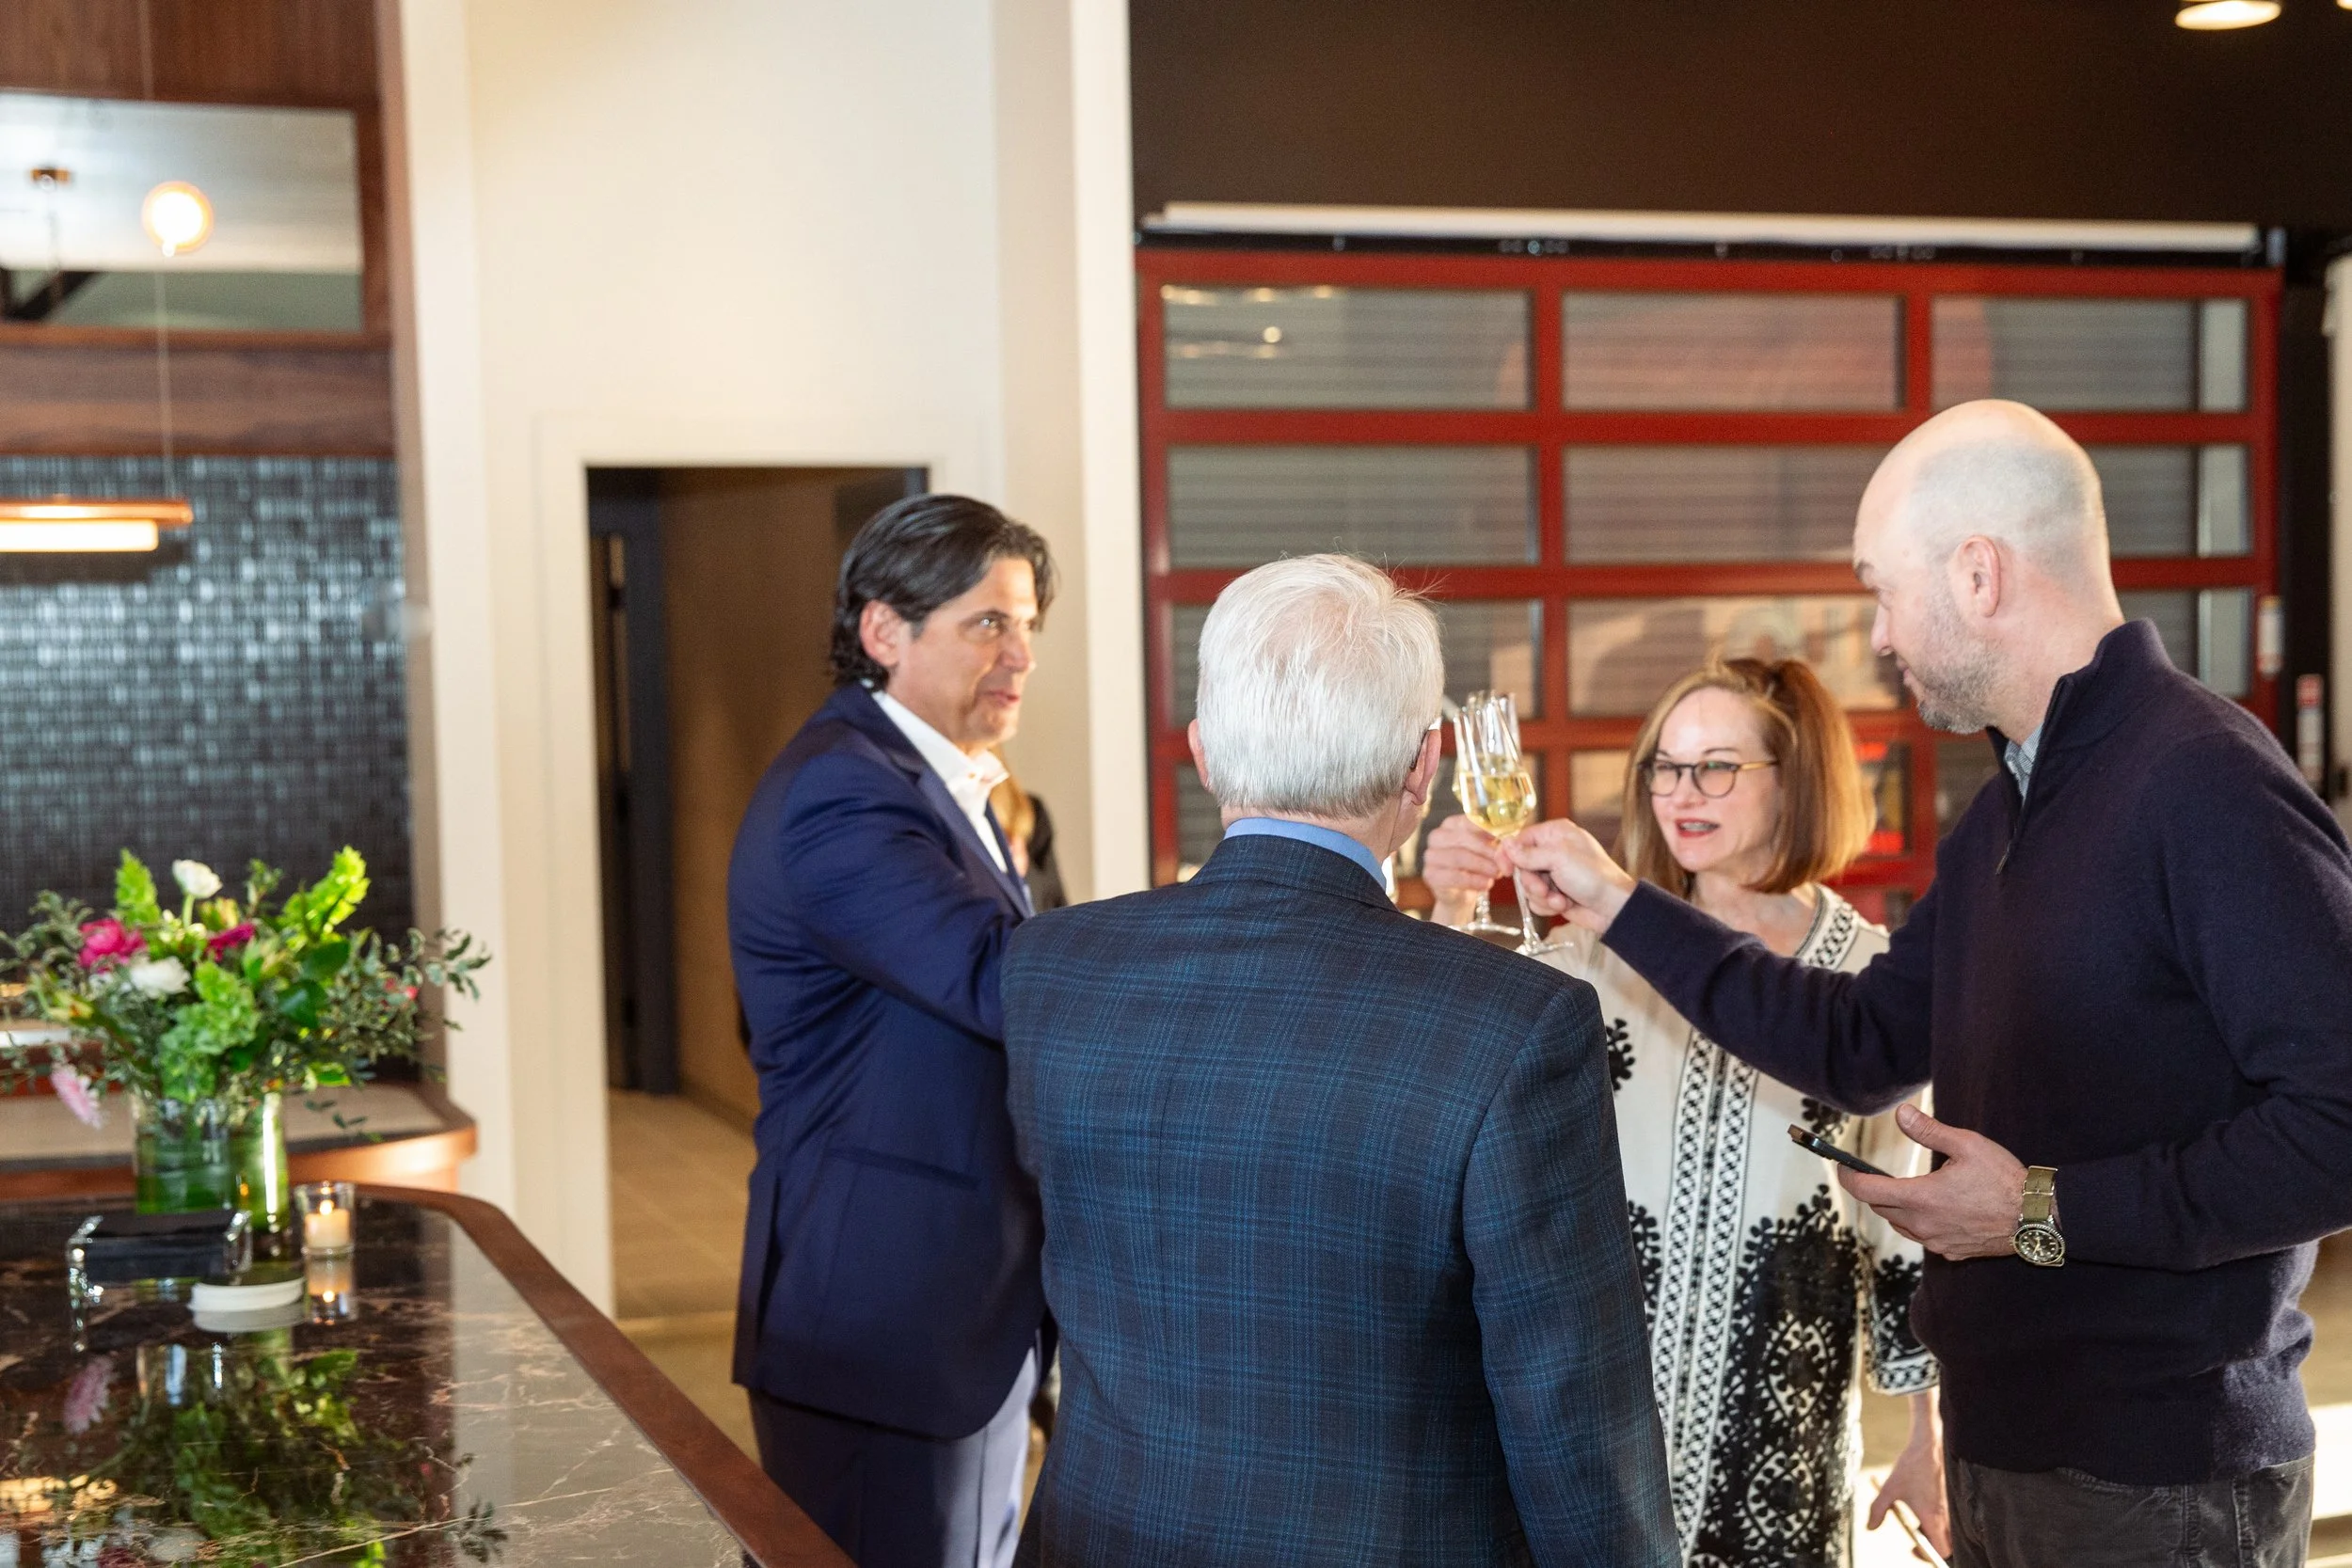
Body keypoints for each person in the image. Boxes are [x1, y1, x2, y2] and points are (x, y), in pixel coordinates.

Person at [1507, 399, 2352, 1568]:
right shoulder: (2001, 814)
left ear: (1976, 574)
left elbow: (2337, 1124)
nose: (1876, 635)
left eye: (1882, 590)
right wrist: (1614, 901)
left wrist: (2039, 1209)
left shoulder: (2201, 779)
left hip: (2155, 1476)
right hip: (2010, 1456)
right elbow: (1854, 1041)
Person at [1001, 553, 1677, 1566]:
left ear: (1202, 751)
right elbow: (1576, 1412)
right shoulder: (1517, 1020)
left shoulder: (1051, 965)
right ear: (1424, 763)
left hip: (1104, 1535)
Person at [1424, 657, 1947, 1566]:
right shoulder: (1600, 956)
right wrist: (1455, 902)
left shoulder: (1865, 979)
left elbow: (1904, 1225)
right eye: (1665, 766)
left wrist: (1925, 1437)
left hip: (1784, 1437)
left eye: (1716, 766)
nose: (1681, 792)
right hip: (1603, 1429)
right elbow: (1445, 1055)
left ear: (1797, 780)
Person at [727, 493, 1054, 1568]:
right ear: (884, 629)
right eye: (989, 622)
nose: (1021, 655)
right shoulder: (841, 789)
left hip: (950, 1299)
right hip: (885, 1311)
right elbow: (995, 977)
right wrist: (1215, 923)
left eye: (1027, 625)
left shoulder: (937, 780)